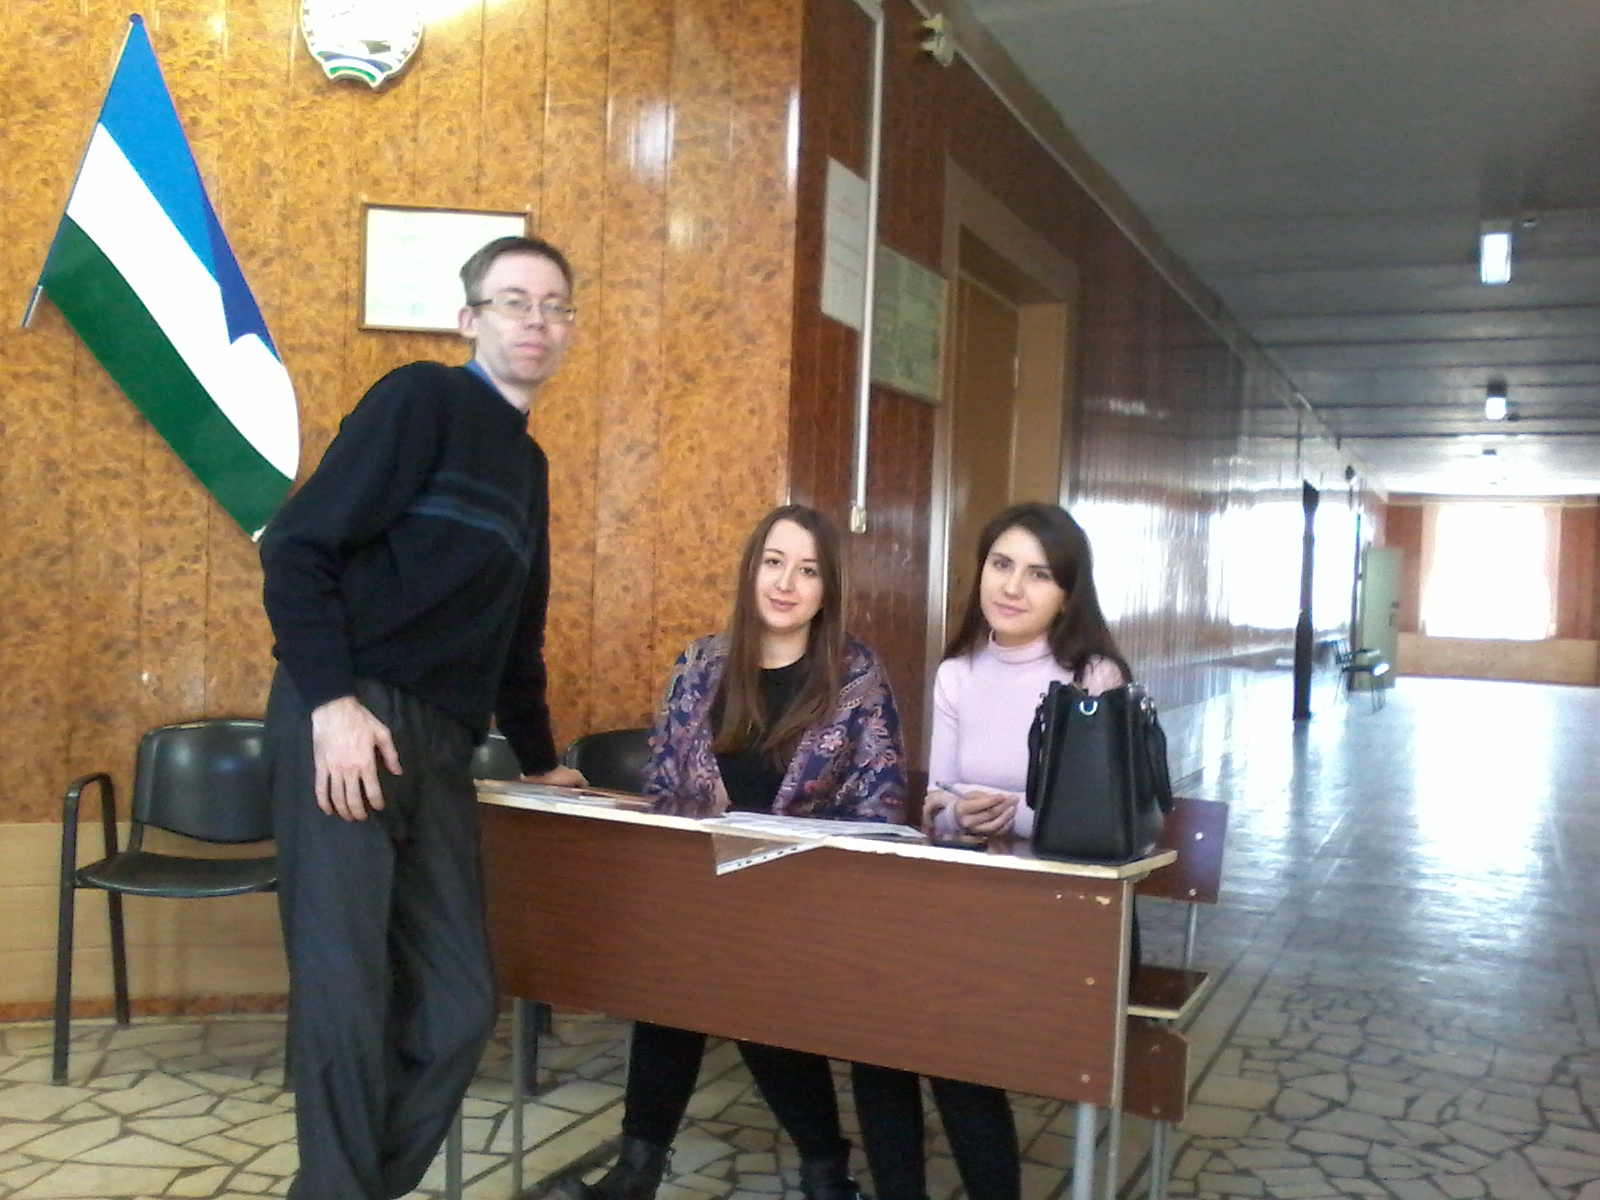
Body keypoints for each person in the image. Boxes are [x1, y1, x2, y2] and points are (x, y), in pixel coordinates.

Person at [260, 235, 586, 1200]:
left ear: (569, 330)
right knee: (347, 995)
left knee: (457, 1005)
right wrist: (333, 706)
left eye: (554, 306)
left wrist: (539, 759)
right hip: (348, 718)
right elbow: (296, 548)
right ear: (469, 318)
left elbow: (516, 640)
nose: (536, 320)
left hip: (442, 747)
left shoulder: (529, 470)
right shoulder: (422, 400)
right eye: (515, 301)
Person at [560, 504, 905, 1200]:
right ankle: (664, 1168)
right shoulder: (699, 666)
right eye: (773, 563)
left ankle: (796, 1168)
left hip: (809, 900)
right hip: (703, 893)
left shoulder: (857, 676)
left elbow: (881, 808)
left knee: (730, 972)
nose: (786, 583)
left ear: (828, 589)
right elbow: (664, 789)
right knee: (686, 965)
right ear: (751, 571)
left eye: (808, 570)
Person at [852, 502, 1131, 1200]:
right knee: (875, 1031)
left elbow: (1094, 822)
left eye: (1038, 574)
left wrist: (1007, 814)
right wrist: (957, 813)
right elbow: (938, 800)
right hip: (970, 907)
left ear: (1067, 592)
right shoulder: (958, 673)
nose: (1011, 586)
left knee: (950, 1039)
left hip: (1066, 915)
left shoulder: (1093, 677)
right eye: (1001, 565)